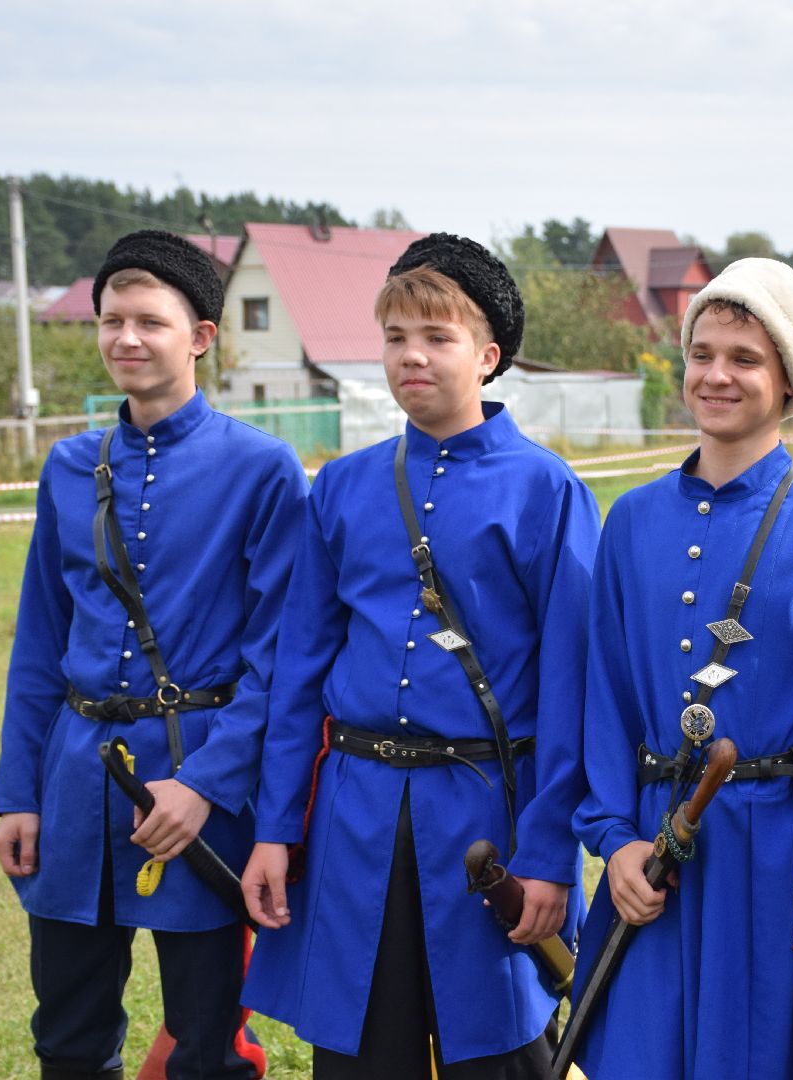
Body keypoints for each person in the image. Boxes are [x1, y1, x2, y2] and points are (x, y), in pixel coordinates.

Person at [239, 234, 600, 1079]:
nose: (412, 356)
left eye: (436, 338)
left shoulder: (548, 493)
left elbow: (573, 692)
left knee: (502, 1057)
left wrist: (548, 853)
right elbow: (297, 678)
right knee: (363, 1058)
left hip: (487, 824)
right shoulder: (340, 487)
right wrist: (274, 830)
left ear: (487, 355)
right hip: (354, 820)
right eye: (397, 337)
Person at [0, 230, 309, 1079]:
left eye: (149, 322)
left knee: (208, 1044)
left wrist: (206, 785)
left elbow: (277, 659)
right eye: (110, 321)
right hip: (74, 786)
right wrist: (18, 794)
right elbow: (39, 645)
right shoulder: (66, 468)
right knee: (68, 1032)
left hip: (199, 786)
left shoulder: (265, 470)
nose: (126, 339)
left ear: (201, 335)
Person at [569, 258, 793, 1079]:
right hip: (655, 845)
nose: (716, 375)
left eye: (745, 359)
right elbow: (603, 698)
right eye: (702, 353)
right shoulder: (632, 520)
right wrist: (614, 840)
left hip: (785, 853)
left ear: (788, 382)